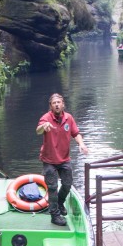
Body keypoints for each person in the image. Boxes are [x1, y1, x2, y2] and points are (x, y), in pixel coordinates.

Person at [36, 93, 88, 226]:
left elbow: (76, 133)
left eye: (59, 102)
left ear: (63, 104)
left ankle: (59, 203)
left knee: (67, 184)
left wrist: (81, 144)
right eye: (54, 103)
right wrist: (44, 126)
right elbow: (38, 130)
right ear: (51, 106)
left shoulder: (68, 118)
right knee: (52, 187)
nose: (57, 105)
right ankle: (55, 215)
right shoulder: (46, 118)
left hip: (64, 159)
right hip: (49, 160)